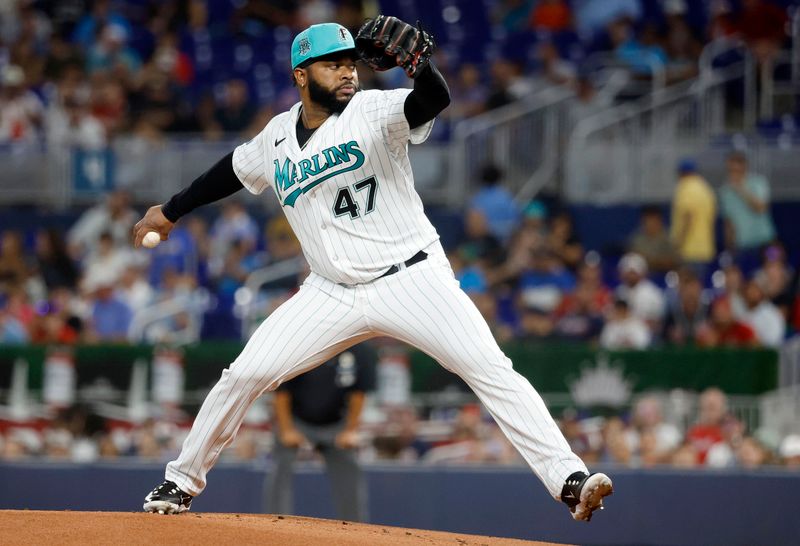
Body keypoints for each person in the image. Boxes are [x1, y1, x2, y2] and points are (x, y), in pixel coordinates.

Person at [136, 19, 612, 521]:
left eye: (351, 62)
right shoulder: (277, 135)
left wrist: (420, 67)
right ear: (301, 75)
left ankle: (569, 480)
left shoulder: (373, 109)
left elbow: (430, 101)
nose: (347, 72)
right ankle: (178, 483)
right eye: (333, 64)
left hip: (411, 278)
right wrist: (169, 212)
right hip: (330, 292)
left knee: (489, 369)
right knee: (244, 374)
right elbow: (229, 171)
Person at [266, 343, 376, 521]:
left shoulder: (360, 348)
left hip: (337, 423)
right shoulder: (302, 344)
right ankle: (274, 523)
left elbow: (359, 393)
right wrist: (286, 430)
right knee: (280, 463)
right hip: (298, 420)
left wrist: (350, 430)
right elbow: (282, 391)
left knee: (350, 468)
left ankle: (356, 529)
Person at [719, 152, 776, 268]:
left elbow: (761, 208)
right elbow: (728, 222)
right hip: (742, 247)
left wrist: (740, 189)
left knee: (773, 272)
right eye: (731, 170)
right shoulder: (725, 192)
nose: (734, 174)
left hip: (766, 243)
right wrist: (729, 248)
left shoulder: (759, 182)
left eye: (737, 170)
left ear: (745, 167)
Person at [670, 159, 716, 278]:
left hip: (689, 249)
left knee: (688, 288)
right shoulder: (705, 188)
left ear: (682, 173)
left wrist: (678, 244)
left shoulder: (686, 187)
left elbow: (688, 217)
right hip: (705, 248)